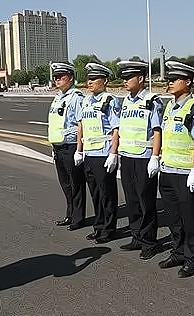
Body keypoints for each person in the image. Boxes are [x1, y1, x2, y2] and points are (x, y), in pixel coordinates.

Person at [158, 61, 194, 278]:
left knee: (191, 218)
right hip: (167, 171)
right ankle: (177, 251)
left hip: (186, 173)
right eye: (169, 79)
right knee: (173, 217)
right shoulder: (169, 106)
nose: (170, 82)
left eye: (175, 79)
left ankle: (193, 258)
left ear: (187, 82)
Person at [116, 60, 164, 260]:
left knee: (146, 201)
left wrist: (155, 157)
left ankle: (149, 241)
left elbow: (157, 130)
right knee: (132, 200)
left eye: (129, 78)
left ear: (141, 78)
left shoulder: (152, 101)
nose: (125, 81)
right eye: (124, 77)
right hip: (127, 156)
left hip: (144, 158)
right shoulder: (126, 101)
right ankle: (136, 236)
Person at [75, 62, 121, 244]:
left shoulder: (110, 100)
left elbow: (116, 128)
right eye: (89, 79)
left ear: (105, 80)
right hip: (89, 154)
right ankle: (99, 225)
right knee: (95, 193)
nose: (90, 82)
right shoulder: (85, 101)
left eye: (94, 79)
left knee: (106, 194)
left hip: (103, 154)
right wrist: (79, 150)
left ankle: (109, 229)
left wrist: (113, 153)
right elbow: (81, 126)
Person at [48, 62, 87, 231]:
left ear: (70, 78)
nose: (57, 79)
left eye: (60, 77)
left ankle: (78, 218)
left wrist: (79, 149)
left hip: (71, 147)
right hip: (59, 147)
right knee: (65, 184)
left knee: (76, 183)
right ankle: (69, 214)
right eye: (55, 77)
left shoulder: (76, 97)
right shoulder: (58, 97)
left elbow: (81, 124)